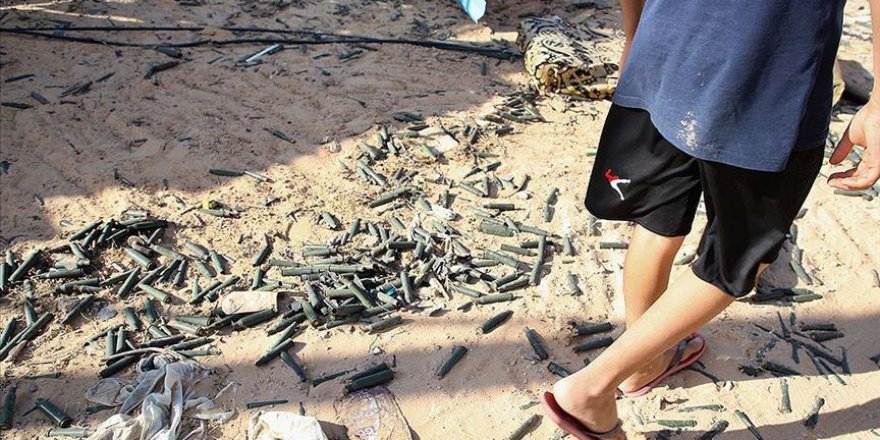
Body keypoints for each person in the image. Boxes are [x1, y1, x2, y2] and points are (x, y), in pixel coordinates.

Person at [540, 1, 880, 438]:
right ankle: (592, 388)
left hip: (667, 46)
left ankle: (644, 366)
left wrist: (634, 36)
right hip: (769, 82)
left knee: (659, 216)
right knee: (739, 260)